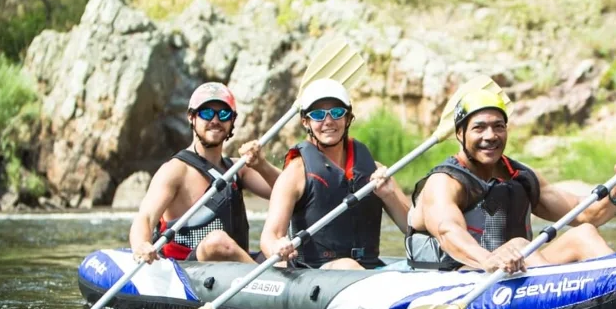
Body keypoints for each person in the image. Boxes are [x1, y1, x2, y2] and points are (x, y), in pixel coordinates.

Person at [405, 88, 616, 274]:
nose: (490, 136)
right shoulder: (444, 181)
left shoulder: (522, 176)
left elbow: (586, 214)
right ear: (460, 134)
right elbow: (448, 232)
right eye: (479, 128)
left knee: (584, 234)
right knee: (518, 245)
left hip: (519, 271)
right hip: (460, 274)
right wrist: (489, 259)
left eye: (498, 127)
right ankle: (562, 301)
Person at [260, 78, 410, 269]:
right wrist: (277, 246)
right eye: (318, 115)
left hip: (369, 269)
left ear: (348, 118)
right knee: (348, 266)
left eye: (337, 113)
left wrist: (389, 196)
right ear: (305, 122)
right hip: (316, 274)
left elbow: (411, 228)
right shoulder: (296, 173)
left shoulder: (374, 171)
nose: (328, 121)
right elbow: (269, 237)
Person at [130, 82, 281, 264]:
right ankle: (264, 282)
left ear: (232, 121)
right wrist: (141, 245)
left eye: (223, 114)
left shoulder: (237, 168)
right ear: (192, 117)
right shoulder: (175, 170)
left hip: (237, 267)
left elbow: (290, 191)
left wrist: (262, 165)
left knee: (281, 249)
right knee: (217, 241)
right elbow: (145, 217)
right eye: (207, 113)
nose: (215, 120)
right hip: (189, 267)